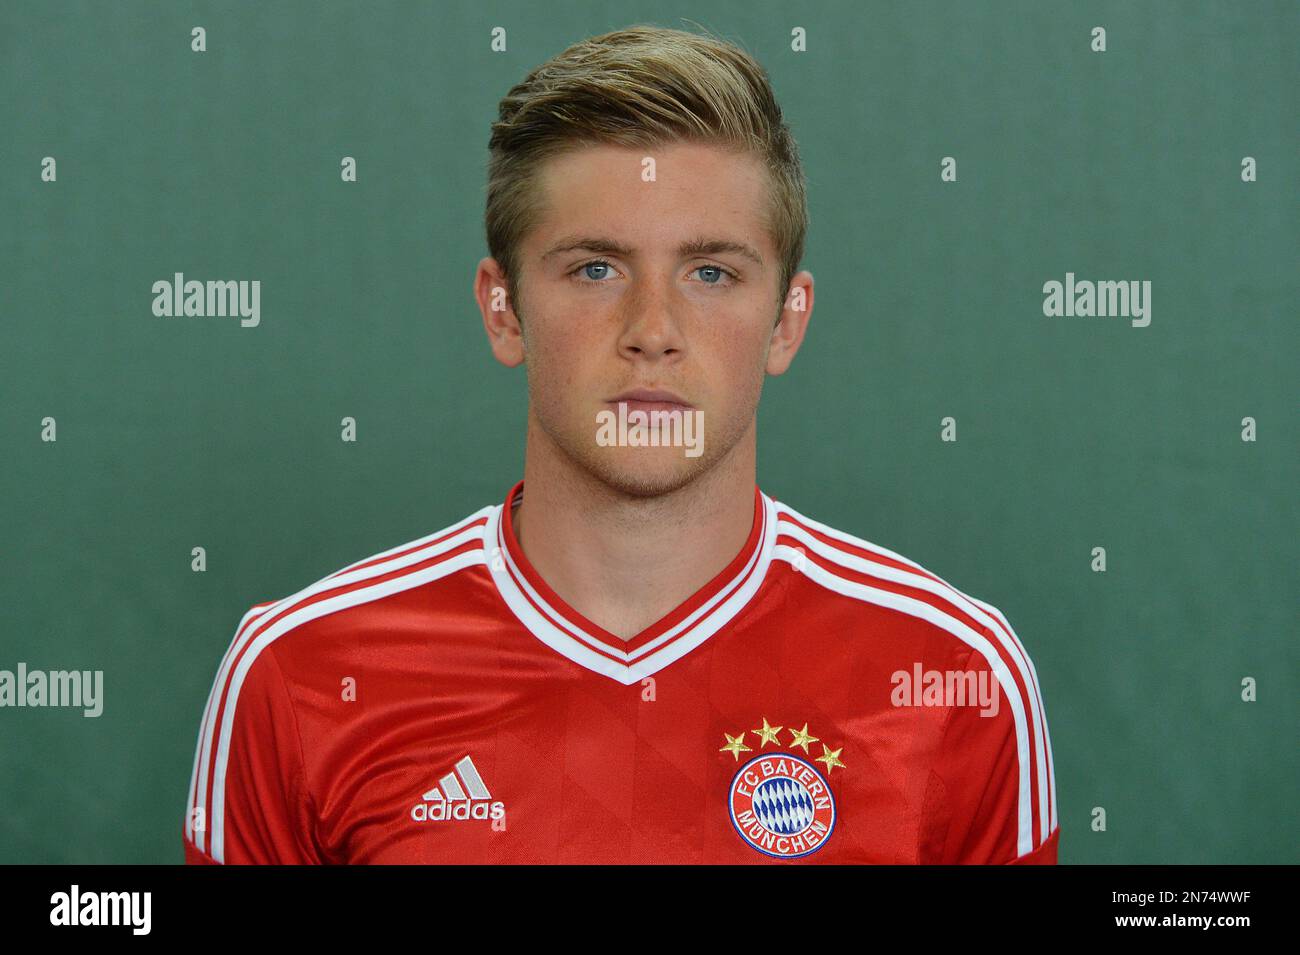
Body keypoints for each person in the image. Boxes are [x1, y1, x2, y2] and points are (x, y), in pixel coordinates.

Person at [183, 23, 1057, 864]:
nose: (653, 329)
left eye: (711, 272)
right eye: (595, 268)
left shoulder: (953, 673)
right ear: (502, 308)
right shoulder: (300, 672)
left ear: (787, 323)